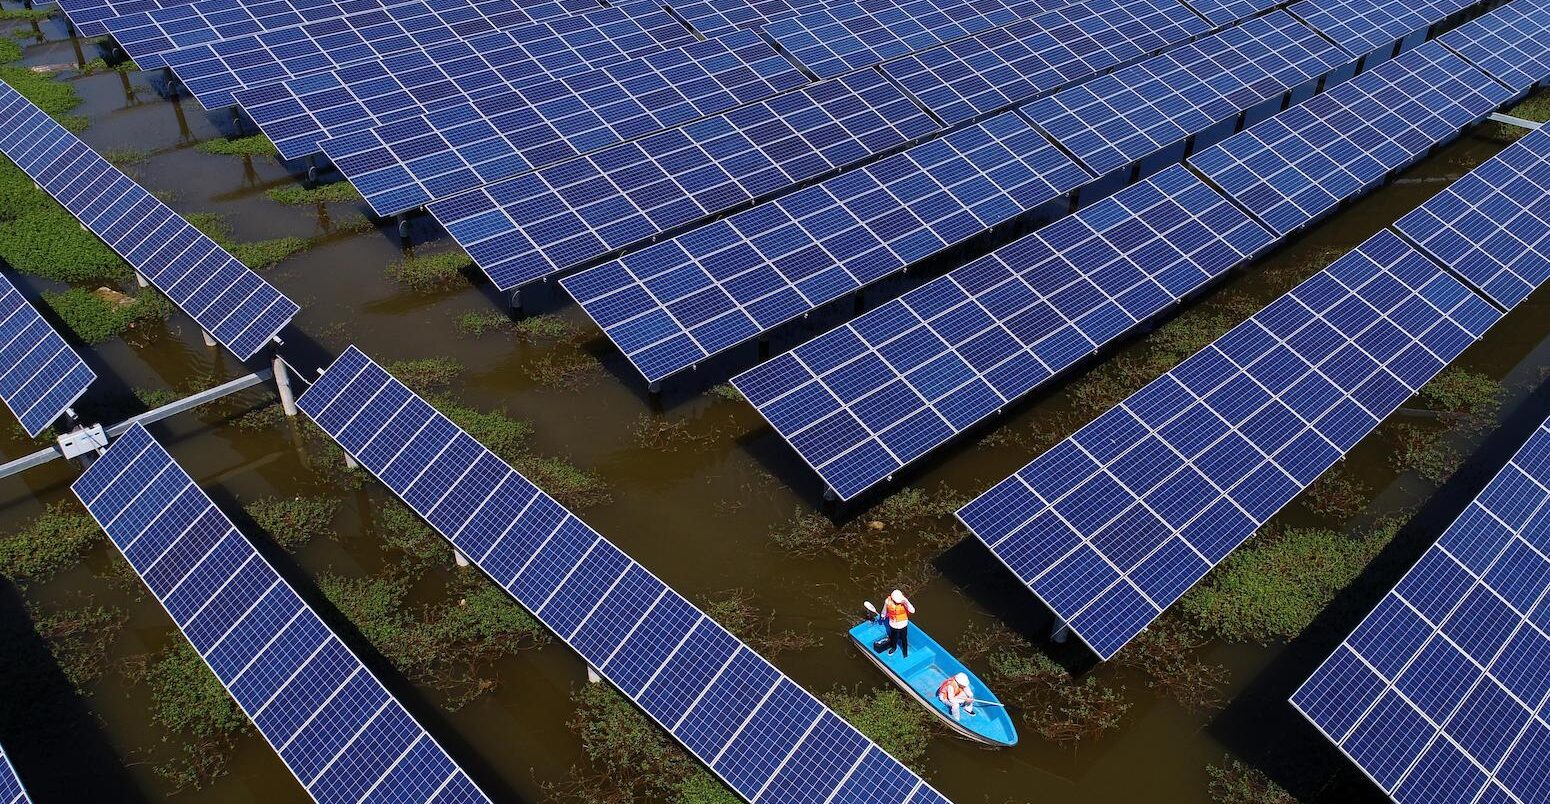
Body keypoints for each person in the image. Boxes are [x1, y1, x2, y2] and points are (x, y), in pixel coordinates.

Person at [876, 589, 914, 658]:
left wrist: (906, 602)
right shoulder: (888, 601)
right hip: (893, 624)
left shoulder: (904, 601)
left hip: (903, 624)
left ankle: (905, 652)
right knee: (893, 637)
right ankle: (894, 648)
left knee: (904, 638)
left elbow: (912, 610)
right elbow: (884, 610)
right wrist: (883, 615)